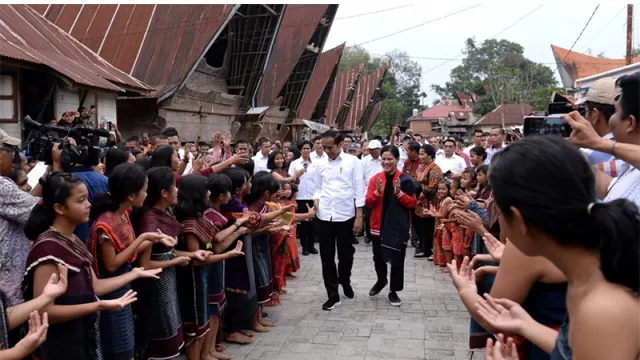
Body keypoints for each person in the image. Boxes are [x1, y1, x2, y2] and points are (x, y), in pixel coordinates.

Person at [471, 136, 638, 360]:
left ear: (519, 221)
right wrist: (526, 325)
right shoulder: (587, 278)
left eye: (499, 214)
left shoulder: (602, 308)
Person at [23, 172, 161, 359]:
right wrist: (97, 306)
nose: (88, 205)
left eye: (87, 198)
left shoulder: (73, 240)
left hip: (83, 336)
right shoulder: (48, 248)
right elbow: (44, 310)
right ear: (59, 208)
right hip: (62, 345)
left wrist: (135, 274)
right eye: (80, 201)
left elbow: (95, 286)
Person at [88, 163, 175, 360]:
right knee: (118, 345)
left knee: (128, 341)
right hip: (113, 288)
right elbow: (111, 264)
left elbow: (128, 250)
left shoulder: (123, 213)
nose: (146, 194)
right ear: (131, 195)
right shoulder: (105, 223)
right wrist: (142, 239)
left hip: (126, 283)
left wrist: (155, 239)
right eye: (144, 190)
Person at [132, 167, 208, 360]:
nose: (178, 191)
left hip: (168, 282)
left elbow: (168, 251)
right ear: (164, 193)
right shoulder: (150, 220)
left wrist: (190, 254)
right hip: (156, 287)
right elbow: (145, 263)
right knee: (161, 336)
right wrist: (175, 261)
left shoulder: (166, 213)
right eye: (174, 187)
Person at [174, 175, 245, 360]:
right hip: (194, 278)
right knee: (196, 324)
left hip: (203, 276)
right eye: (206, 190)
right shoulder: (190, 222)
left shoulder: (198, 218)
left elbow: (215, 243)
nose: (209, 193)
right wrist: (227, 255)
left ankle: (207, 352)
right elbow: (198, 258)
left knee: (204, 319)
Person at [565, 72, 640, 208]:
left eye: (615, 112)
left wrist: (598, 143)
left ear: (630, 123)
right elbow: (608, 188)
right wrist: (565, 152)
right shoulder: (631, 169)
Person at [314, 130, 365, 311]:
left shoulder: (353, 162)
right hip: (324, 214)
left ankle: (345, 279)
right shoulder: (319, 164)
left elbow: (359, 190)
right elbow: (317, 188)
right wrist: (316, 202)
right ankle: (332, 295)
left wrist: (359, 217)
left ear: (341, 144)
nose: (327, 151)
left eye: (331, 147)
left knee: (346, 255)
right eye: (324, 147)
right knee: (326, 257)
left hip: (345, 215)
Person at [365, 145, 417, 306]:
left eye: (390, 159)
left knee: (397, 260)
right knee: (378, 258)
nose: (386, 162)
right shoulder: (376, 179)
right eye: (384, 159)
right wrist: (377, 193)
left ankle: (394, 291)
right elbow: (368, 202)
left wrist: (399, 194)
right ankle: (381, 280)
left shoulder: (405, 180)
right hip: (378, 224)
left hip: (397, 226)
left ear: (396, 160)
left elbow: (412, 203)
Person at [288, 140, 319, 255]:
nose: (306, 150)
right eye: (304, 148)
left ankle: (311, 245)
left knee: (313, 222)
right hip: (300, 196)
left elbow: (318, 180)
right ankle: (304, 246)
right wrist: (297, 177)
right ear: (300, 150)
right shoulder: (295, 163)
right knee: (303, 223)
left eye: (308, 148)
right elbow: (291, 180)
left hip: (312, 196)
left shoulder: (315, 164)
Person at [414, 144, 443, 259]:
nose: (420, 157)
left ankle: (432, 250)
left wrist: (418, 198)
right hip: (420, 203)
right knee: (422, 227)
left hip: (430, 202)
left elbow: (432, 188)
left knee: (430, 227)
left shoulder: (435, 169)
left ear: (430, 155)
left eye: (422, 154)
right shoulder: (421, 167)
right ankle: (424, 249)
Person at [362, 140, 383, 245]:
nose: (372, 151)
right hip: (368, 191)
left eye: (374, 150)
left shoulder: (384, 160)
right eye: (370, 150)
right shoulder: (364, 161)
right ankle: (369, 234)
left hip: (382, 191)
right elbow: (361, 177)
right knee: (367, 214)